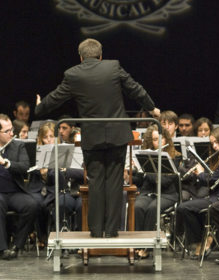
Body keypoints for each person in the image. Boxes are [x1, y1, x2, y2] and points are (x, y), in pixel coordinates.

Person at [34, 38, 160, 238]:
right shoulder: (113, 67)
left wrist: (39, 107)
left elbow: (55, 98)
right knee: (114, 182)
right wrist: (152, 108)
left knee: (95, 182)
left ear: (81, 56)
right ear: (100, 56)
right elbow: (135, 89)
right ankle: (111, 231)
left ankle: (95, 231)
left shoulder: (73, 74)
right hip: (118, 135)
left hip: (92, 137)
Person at [177, 127, 219, 259]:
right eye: (212, 143)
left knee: (185, 207)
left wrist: (200, 173)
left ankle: (204, 240)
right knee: (186, 207)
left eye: (217, 142)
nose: (215, 146)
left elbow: (213, 180)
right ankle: (202, 240)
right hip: (215, 195)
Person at [133, 125, 180, 258]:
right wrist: (129, 175)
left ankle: (147, 247)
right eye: (155, 139)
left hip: (168, 194)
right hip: (148, 192)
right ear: (150, 142)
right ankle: (138, 245)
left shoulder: (174, 157)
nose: (159, 142)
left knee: (153, 208)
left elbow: (164, 181)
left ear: (166, 139)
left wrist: (142, 172)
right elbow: (142, 180)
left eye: (162, 138)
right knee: (138, 206)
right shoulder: (146, 156)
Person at [0, 114, 38, 260]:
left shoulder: (18, 145)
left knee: (32, 205)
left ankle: (16, 245)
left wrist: (6, 163)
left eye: (12, 130)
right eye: (7, 131)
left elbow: (24, 167)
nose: (12, 133)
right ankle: (2, 249)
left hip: (15, 191)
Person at [28, 122, 61, 246]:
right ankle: (40, 236)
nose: (48, 140)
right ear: (41, 138)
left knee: (47, 206)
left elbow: (59, 177)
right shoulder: (36, 152)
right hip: (37, 188)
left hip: (54, 189)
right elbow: (31, 172)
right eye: (45, 137)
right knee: (36, 203)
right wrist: (42, 174)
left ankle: (47, 236)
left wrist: (46, 175)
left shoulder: (61, 152)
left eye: (51, 136)